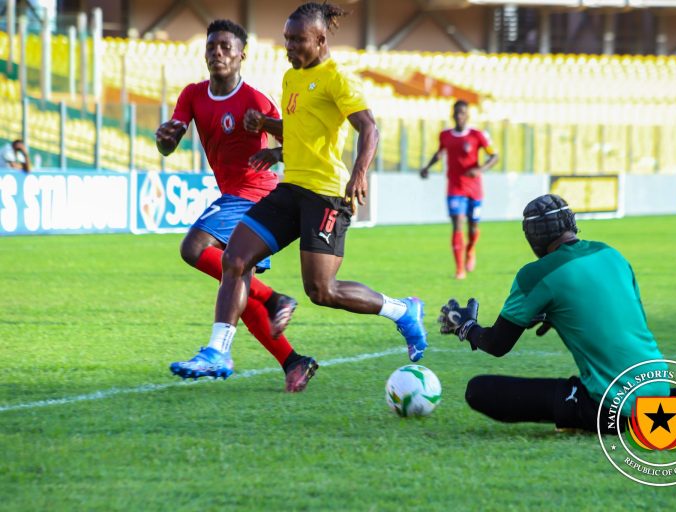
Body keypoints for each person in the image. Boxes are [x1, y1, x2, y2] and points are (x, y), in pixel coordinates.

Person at [207, 2, 428, 365]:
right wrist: (268, 130)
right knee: (234, 256)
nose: (289, 47)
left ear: (321, 39)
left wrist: (359, 173)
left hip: (326, 195)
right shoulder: (291, 77)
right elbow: (300, 132)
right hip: (291, 187)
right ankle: (217, 352)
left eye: (297, 40)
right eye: (286, 39)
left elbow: (369, 127)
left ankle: (402, 311)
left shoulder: (337, 79)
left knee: (321, 290)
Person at [438, 193, 676, 432]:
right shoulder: (611, 254)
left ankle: (584, 417)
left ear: (532, 239)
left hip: (611, 408)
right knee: (666, 396)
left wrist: (466, 326)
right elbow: (613, 313)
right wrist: (555, 315)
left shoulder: (535, 274)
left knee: (479, 390)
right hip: (657, 386)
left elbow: (497, 344)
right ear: (572, 224)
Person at [155, 19, 316, 392]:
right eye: (212, 46)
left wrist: (274, 148)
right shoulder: (193, 95)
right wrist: (165, 139)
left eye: (227, 47)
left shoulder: (256, 101)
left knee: (193, 247)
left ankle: (270, 302)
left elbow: (298, 142)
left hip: (255, 193)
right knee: (238, 284)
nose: (218, 53)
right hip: (232, 194)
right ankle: (294, 361)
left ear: (242, 54)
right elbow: (169, 142)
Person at [420, 101, 498, 279]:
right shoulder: (445, 135)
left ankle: (470, 249)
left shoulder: (478, 135)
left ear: (467, 115)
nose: (459, 116)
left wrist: (480, 170)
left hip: (475, 189)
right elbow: (440, 153)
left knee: (473, 226)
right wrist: (427, 167)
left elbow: (494, 156)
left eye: (463, 113)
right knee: (457, 223)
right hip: (455, 187)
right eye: (457, 113)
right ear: (453, 115)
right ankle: (459, 268)